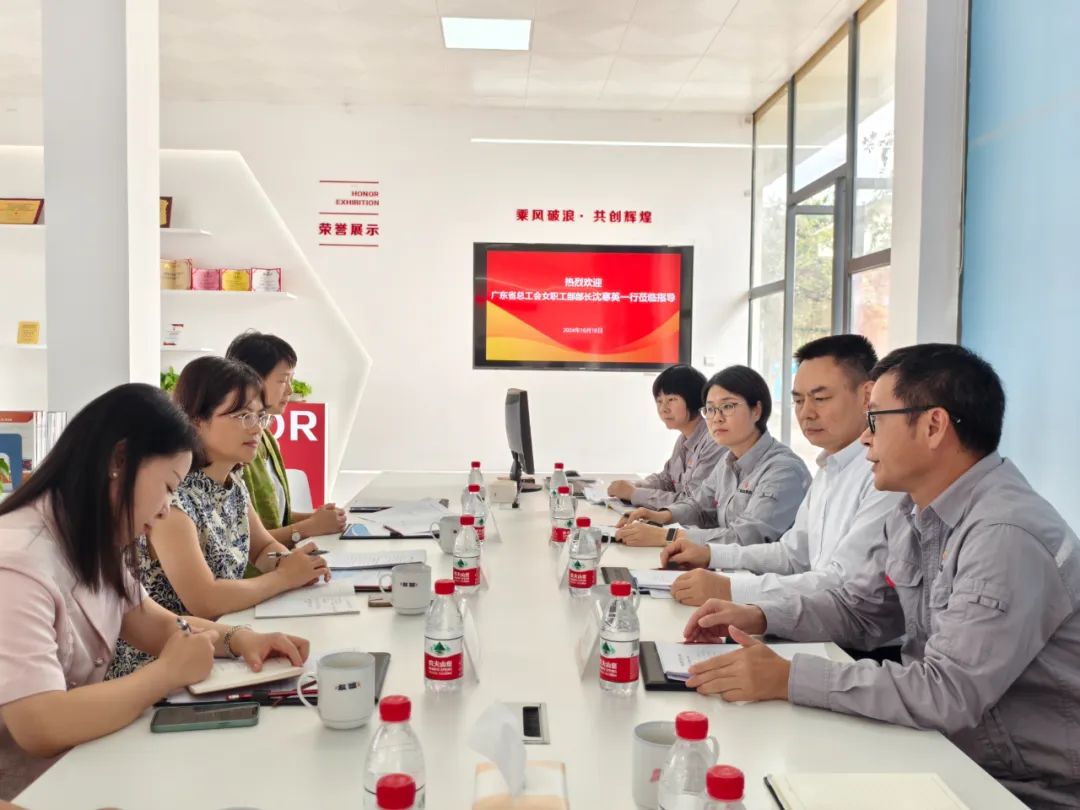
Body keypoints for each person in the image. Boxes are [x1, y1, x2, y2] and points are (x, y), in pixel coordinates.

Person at [679, 344, 1080, 810]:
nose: (866, 439)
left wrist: (789, 677)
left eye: (876, 420)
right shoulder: (916, 511)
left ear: (933, 426)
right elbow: (863, 611)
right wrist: (760, 615)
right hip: (943, 750)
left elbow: (948, 693)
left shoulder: (1003, 535)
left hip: (1016, 786)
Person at [0, 384, 309, 799]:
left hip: (77, 769)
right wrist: (165, 674)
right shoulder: (17, 563)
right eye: (167, 487)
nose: (166, 507)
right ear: (119, 460)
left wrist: (240, 639)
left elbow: (150, 620)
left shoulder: (92, 534)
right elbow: (39, 724)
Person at [109, 357, 329, 678]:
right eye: (242, 416)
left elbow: (262, 549)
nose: (256, 427)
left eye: (260, 416)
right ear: (196, 420)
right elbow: (205, 599)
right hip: (160, 658)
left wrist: (289, 563)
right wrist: (285, 577)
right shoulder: (172, 498)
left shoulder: (232, 482)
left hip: (218, 641)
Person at [660, 335, 901, 607]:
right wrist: (711, 554)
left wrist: (730, 587)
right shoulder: (829, 469)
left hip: (840, 625)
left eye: (820, 398)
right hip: (811, 613)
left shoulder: (883, 475)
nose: (806, 413)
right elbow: (792, 555)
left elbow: (842, 583)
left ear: (867, 396)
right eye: (798, 401)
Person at [616, 365, 810, 548]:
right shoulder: (728, 461)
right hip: (725, 566)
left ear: (756, 410)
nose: (716, 418)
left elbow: (746, 538)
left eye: (728, 406)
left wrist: (666, 536)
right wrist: (662, 516)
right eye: (710, 409)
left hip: (759, 572)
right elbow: (698, 505)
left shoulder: (783, 470)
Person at [225, 330, 345, 547]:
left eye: (291, 380)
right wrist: (310, 527)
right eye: (283, 380)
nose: (290, 390)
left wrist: (316, 519)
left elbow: (276, 518)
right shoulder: (232, 450)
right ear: (252, 380)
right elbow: (246, 543)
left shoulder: (266, 438)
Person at [606, 364, 725, 509]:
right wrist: (634, 486)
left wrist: (634, 493)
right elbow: (666, 480)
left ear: (694, 399)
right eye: (659, 401)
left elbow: (692, 503)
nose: (663, 409)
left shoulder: (714, 441)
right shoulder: (684, 438)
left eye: (671, 399)